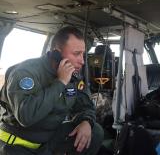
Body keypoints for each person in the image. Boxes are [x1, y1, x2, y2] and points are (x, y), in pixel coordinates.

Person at [0, 26, 104, 155]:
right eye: (76, 54)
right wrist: (60, 82)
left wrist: (86, 121)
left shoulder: (73, 77)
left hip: (47, 143)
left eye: (83, 54)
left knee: (95, 131)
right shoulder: (25, 72)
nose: (82, 61)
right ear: (56, 53)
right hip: (16, 145)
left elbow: (86, 106)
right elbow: (26, 116)